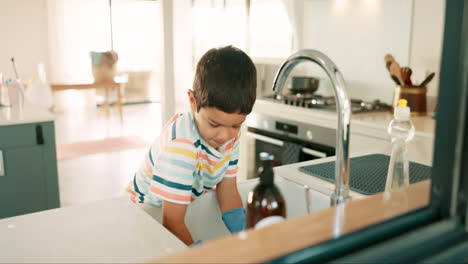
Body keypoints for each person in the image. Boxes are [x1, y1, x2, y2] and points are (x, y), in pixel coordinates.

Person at [126, 45, 257, 246]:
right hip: (144, 216)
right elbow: (171, 221)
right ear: (192, 101)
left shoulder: (230, 136)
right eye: (214, 124)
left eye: (236, 125)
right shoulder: (181, 146)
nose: (224, 135)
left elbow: (228, 188)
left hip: (178, 205)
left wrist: (246, 236)